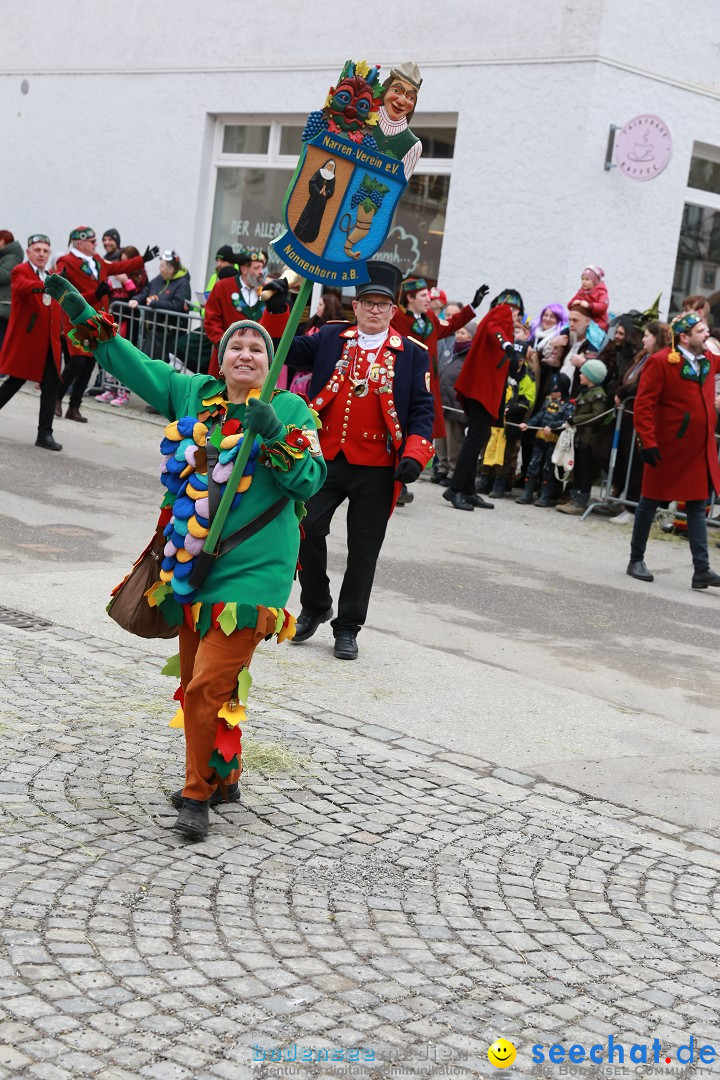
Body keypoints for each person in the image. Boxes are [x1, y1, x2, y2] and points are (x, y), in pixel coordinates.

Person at [44, 270, 326, 840]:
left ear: (270, 362)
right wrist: (81, 314)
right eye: (236, 346)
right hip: (193, 563)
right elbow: (131, 365)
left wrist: (271, 434)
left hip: (255, 571)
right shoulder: (195, 394)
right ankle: (223, 773)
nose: (245, 353)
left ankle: (196, 796)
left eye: (257, 347)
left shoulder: (292, 409)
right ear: (220, 358)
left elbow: (311, 481)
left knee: (205, 686)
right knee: (208, 681)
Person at [276, 260, 434, 659]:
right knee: (305, 527)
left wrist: (414, 454)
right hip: (326, 457)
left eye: (382, 304)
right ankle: (315, 604)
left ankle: (347, 626)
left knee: (364, 549)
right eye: (368, 302)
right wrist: (280, 307)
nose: (374, 310)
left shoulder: (412, 353)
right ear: (356, 306)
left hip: (378, 466)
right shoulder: (331, 337)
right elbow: (286, 350)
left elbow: (422, 410)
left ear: (394, 310)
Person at [627, 311, 720, 589]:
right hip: (666, 446)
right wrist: (648, 442)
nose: (708, 334)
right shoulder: (660, 362)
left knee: (696, 504)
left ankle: (701, 569)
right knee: (649, 501)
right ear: (684, 337)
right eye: (702, 331)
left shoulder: (708, 360)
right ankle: (636, 559)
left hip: (696, 450)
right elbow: (643, 406)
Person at [392, 277, 486, 492]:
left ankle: (403, 478)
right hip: (403, 382)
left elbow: (450, 325)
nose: (429, 299)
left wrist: (472, 306)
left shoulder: (430, 318)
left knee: (419, 429)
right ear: (410, 298)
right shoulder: (397, 319)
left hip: (426, 385)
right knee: (400, 429)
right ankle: (396, 481)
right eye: (424, 295)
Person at [55, 227, 158, 421]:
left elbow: (119, 267)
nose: (96, 244)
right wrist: (96, 294)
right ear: (80, 243)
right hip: (78, 319)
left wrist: (143, 259)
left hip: (97, 319)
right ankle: (56, 397)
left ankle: (74, 406)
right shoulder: (66, 262)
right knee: (78, 360)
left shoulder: (98, 261)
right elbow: (66, 294)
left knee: (89, 363)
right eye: (92, 241)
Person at [442, 289, 520, 511]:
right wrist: (507, 345)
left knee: (478, 435)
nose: (516, 315)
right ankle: (455, 489)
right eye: (516, 310)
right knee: (476, 436)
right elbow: (496, 330)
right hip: (481, 390)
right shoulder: (502, 313)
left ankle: (467, 490)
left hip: (480, 388)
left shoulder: (498, 318)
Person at [0, 234, 63, 450]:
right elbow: (22, 286)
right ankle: (44, 433)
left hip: (49, 344)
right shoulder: (20, 271)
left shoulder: (52, 275)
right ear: (28, 253)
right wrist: (44, 285)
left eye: (45, 251)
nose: (41, 254)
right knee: (14, 383)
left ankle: (45, 434)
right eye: (37, 250)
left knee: (52, 385)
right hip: (26, 343)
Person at [606, 320, 671, 524]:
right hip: (628, 415)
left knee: (637, 462)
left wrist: (623, 392)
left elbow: (642, 384)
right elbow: (629, 378)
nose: (643, 338)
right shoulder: (644, 357)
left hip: (641, 417)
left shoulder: (660, 359)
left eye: (647, 335)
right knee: (622, 458)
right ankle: (626, 500)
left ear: (657, 338)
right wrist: (620, 390)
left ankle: (633, 509)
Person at [556, 359, 611, 515]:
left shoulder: (598, 394)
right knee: (577, 469)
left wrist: (575, 420)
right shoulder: (584, 391)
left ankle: (581, 501)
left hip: (588, 439)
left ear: (591, 377)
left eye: (583, 373)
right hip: (578, 437)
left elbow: (597, 415)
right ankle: (573, 497)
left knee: (585, 470)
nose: (580, 375)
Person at [204, 249, 269, 376]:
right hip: (225, 360)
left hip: (254, 363)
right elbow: (211, 320)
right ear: (244, 269)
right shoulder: (222, 287)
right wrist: (224, 344)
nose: (261, 272)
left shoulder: (267, 291)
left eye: (262, 267)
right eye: (256, 268)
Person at [516, 372, 574, 507]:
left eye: (555, 390)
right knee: (533, 465)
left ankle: (545, 495)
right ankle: (527, 493)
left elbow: (566, 421)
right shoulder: (548, 400)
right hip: (540, 439)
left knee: (549, 468)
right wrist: (528, 424)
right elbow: (540, 415)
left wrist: (553, 427)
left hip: (554, 442)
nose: (552, 392)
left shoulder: (568, 405)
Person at [128, 250, 192, 363]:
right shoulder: (161, 278)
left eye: (162, 266)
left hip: (168, 336)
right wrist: (136, 299)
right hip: (152, 332)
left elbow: (178, 305)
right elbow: (147, 290)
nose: (159, 268)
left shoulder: (183, 284)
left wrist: (156, 304)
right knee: (146, 365)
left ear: (171, 269)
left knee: (159, 369)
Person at [438, 321, 476, 483]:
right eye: (458, 332)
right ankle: (442, 468)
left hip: (456, 406)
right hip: (444, 403)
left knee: (455, 441)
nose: (459, 336)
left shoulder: (471, 355)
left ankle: (453, 472)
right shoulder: (454, 351)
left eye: (463, 333)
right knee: (441, 440)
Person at [372, 62, 423, 179]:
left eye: (411, 97)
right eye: (396, 91)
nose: (401, 101)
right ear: (385, 90)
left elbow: (396, 187)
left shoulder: (413, 146)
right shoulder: (363, 115)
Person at [295, 160, 337, 243]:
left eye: (332, 166)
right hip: (314, 199)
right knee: (308, 214)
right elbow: (312, 182)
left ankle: (310, 237)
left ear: (333, 167)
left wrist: (325, 193)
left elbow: (331, 190)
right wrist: (318, 191)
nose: (330, 167)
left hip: (321, 202)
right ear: (326, 164)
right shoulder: (320, 172)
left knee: (316, 219)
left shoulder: (333, 178)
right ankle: (300, 233)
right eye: (329, 165)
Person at [0, 230, 24, 352]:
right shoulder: (7, 257)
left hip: (4, 308)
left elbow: (3, 275)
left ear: (2, 241)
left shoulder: (11, 258)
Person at [568, 265, 609, 331]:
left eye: (587, 279)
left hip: (598, 324)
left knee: (593, 337)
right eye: (582, 279)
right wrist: (574, 303)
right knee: (565, 330)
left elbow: (603, 307)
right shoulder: (581, 291)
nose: (583, 282)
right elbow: (569, 305)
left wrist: (590, 306)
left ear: (595, 281)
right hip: (582, 323)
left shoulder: (601, 292)